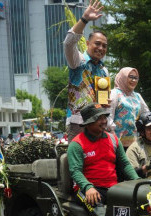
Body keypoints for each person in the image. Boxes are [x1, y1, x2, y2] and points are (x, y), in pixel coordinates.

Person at [68, 103, 139, 207]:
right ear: (88, 123)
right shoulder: (76, 144)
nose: (104, 121)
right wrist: (88, 187)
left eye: (104, 117)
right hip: (86, 189)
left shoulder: (114, 140)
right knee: (100, 213)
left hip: (113, 188)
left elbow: (125, 164)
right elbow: (75, 171)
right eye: (99, 118)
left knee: (134, 207)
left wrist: (137, 181)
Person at [64, 0, 108, 142]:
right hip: (78, 123)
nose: (101, 48)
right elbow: (69, 43)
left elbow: (103, 102)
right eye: (97, 43)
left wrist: (106, 103)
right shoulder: (78, 61)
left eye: (104, 46)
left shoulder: (104, 71)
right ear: (88, 43)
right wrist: (84, 19)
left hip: (99, 124)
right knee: (78, 162)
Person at [106, 67, 150, 149]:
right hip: (115, 142)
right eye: (130, 77)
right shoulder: (114, 93)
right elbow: (108, 115)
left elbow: (146, 113)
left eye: (136, 78)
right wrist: (112, 134)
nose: (133, 80)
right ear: (123, 77)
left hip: (134, 143)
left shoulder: (137, 96)